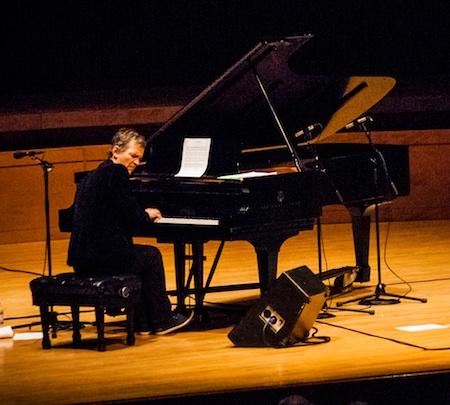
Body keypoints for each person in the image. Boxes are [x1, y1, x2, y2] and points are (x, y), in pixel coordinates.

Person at [67, 127, 193, 334]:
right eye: (132, 156)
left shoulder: (93, 175)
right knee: (150, 256)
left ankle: (143, 322)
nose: (136, 162)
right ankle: (162, 319)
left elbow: (105, 212)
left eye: (139, 158)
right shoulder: (115, 172)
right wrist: (147, 215)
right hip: (102, 258)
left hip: (82, 258)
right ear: (116, 150)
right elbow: (132, 216)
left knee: (138, 255)